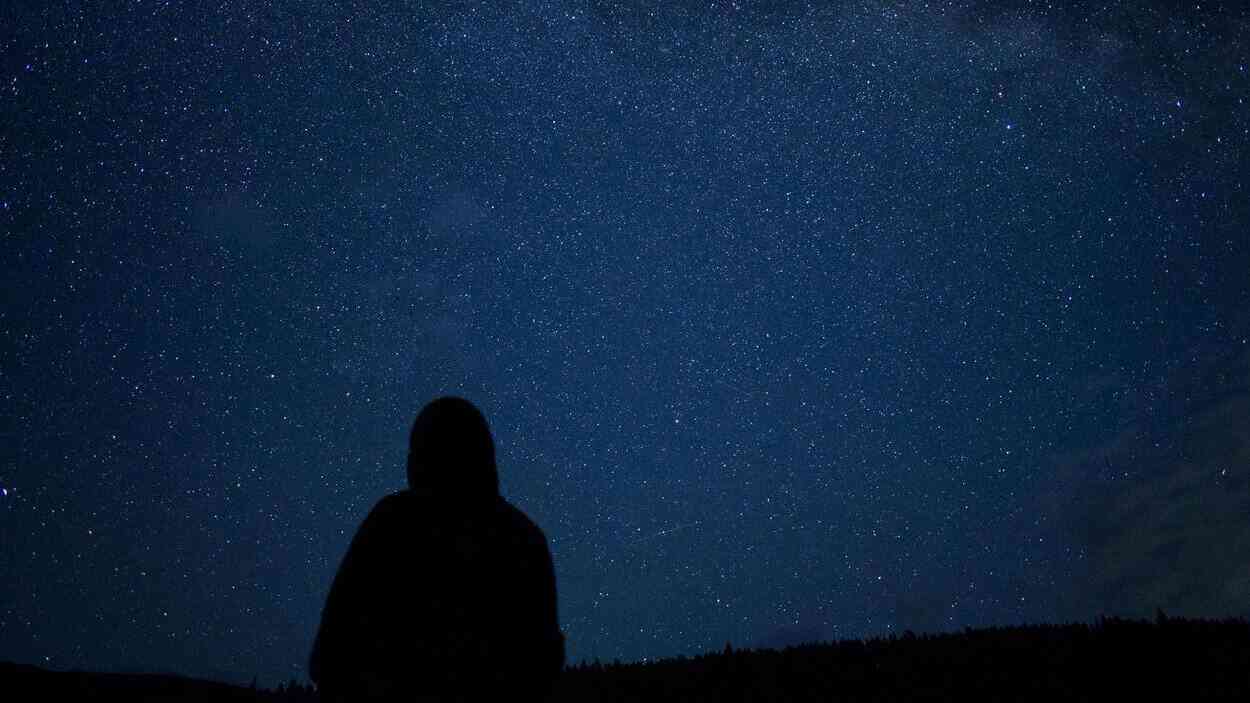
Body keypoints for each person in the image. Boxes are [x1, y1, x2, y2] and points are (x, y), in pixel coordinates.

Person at [310, 397, 564, 701]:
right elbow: (543, 663)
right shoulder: (524, 538)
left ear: (420, 458)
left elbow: (333, 646)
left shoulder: (392, 523)